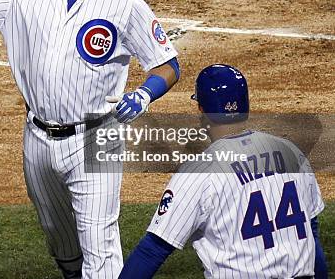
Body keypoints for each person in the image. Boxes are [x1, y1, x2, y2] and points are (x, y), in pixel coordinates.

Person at [0, 0, 180, 278]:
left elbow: (168, 65)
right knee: (60, 241)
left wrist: (143, 95)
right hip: (37, 138)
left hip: (97, 137)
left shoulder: (123, 4)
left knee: (99, 245)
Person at [119, 64, 328, 279]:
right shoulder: (290, 151)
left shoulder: (199, 172)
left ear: (202, 110)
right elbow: (312, 237)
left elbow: (151, 251)